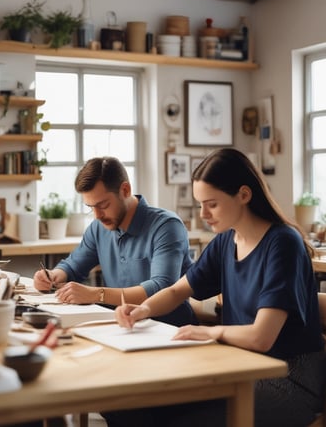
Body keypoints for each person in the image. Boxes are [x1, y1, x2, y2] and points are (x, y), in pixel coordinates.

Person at [107, 148, 325, 427]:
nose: (203, 215)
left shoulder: (283, 244)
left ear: (244, 195)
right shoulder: (225, 241)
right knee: (128, 408)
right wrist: (142, 309)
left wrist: (209, 332)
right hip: (240, 365)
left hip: (288, 379)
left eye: (211, 204)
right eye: (200, 204)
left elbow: (262, 338)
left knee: (175, 419)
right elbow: (177, 291)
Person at [33, 156, 197, 327]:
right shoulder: (98, 227)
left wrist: (97, 294)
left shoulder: (167, 227)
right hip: (121, 326)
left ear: (125, 190)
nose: (97, 215)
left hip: (169, 330)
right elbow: (73, 266)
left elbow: (161, 287)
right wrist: (52, 276)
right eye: (91, 208)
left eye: (103, 205)